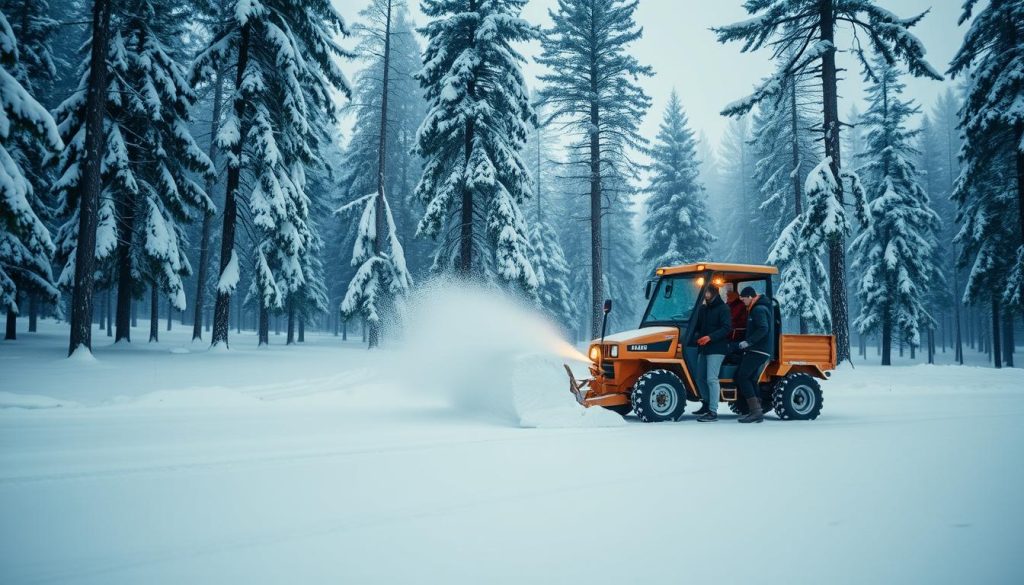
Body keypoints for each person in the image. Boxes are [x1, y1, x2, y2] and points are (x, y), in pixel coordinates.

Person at [734, 286, 774, 424]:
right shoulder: (757, 307)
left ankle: (756, 412)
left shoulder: (758, 309)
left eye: (743, 299)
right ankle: (757, 410)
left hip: (758, 350)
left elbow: (764, 328)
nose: (742, 301)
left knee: (742, 377)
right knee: (750, 378)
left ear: (750, 297)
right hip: (759, 349)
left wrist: (748, 342)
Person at [692, 284, 731, 422]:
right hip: (704, 348)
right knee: (699, 378)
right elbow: (697, 327)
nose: (704, 295)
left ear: (712, 293)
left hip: (717, 348)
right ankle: (706, 403)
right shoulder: (703, 309)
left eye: (706, 292)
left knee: (711, 379)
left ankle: (713, 411)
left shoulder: (723, 308)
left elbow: (726, 328)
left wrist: (710, 337)